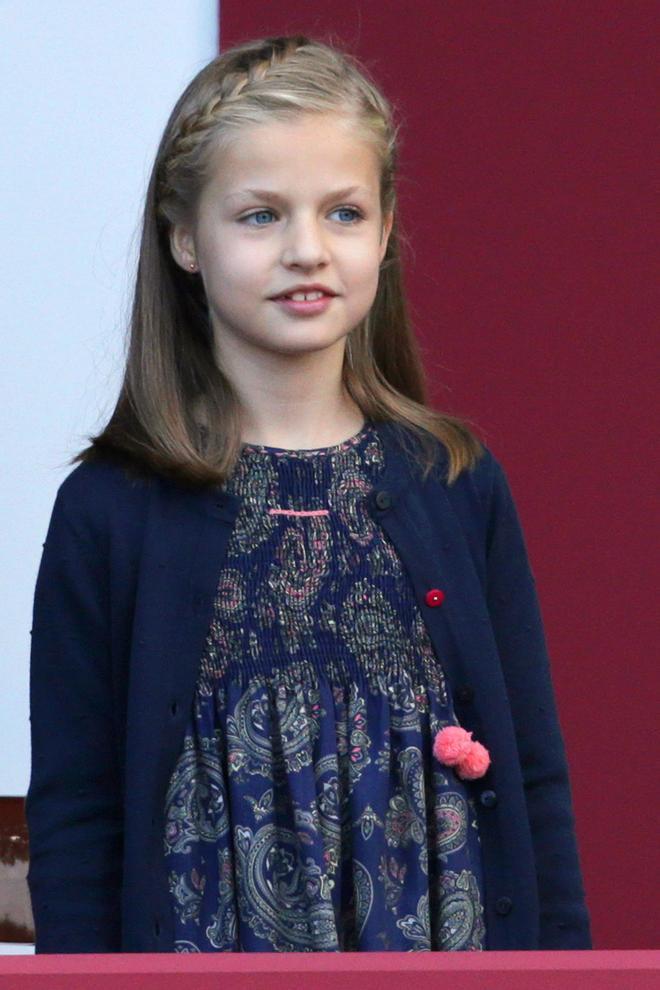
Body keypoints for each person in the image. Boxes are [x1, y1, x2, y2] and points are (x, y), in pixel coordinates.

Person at [25, 35, 592, 954]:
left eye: (343, 212)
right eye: (259, 216)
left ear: (385, 228)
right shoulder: (110, 509)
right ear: (183, 239)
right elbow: (80, 812)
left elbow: (532, 777)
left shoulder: (455, 482)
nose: (306, 250)